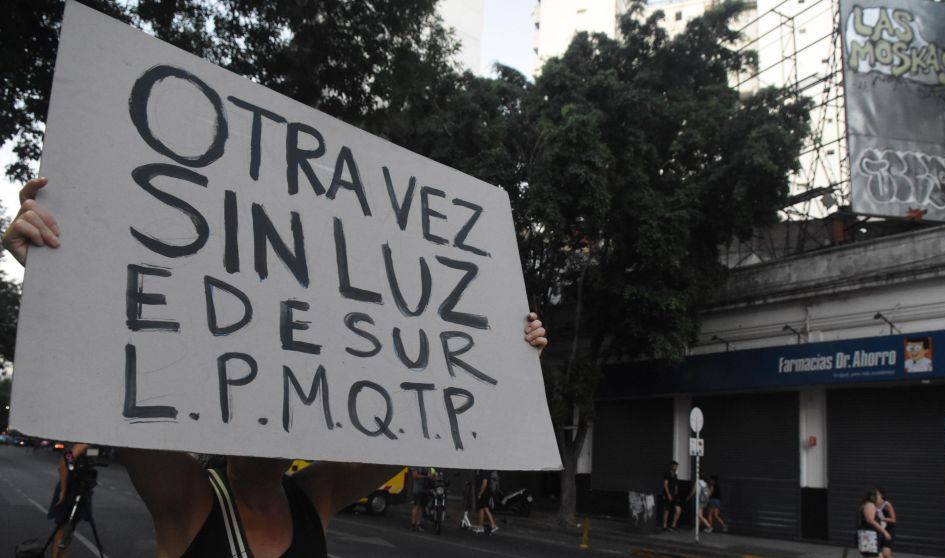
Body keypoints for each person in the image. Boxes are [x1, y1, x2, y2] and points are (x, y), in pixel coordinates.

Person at [4, 177, 549, 557]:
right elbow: (111, 390)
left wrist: (504, 353)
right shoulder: (189, 498)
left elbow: (424, 425)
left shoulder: (312, 496)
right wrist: (54, 275)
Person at [47, 443, 91, 558]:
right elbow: (63, 464)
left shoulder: (79, 442)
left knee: (68, 530)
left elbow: (68, 462)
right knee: (62, 530)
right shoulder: (83, 442)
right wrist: (63, 490)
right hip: (71, 489)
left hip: (76, 487)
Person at [858, 487, 891, 557]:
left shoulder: (868, 504)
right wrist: (885, 532)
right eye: (878, 495)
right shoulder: (870, 505)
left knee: (878, 555)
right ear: (872, 496)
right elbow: (870, 520)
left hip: (870, 537)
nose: (880, 496)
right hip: (869, 537)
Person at [474, 469, 499, 534]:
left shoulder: (485, 472)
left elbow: (484, 484)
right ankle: (492, 525)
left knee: (482, 509)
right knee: (485, 509)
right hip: (485, 494)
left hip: (484, 494)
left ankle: (482, 527)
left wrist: (480, 493)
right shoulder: (484, 471)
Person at [409, 467, 433, 531]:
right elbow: (415, 476)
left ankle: (418, 524)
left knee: (421, 507)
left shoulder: (428, 466)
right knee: (416, 506)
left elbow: (431, 474)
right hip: (417, 489)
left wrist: (431, 476)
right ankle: (413, 524)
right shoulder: (416, 466)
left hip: (425, 489)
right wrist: (426, 476)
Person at [876, 488, 896, 558]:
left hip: (888, 529)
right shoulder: (872, 504)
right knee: (878, 554)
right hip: (878, 530)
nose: (875, 496)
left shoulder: (886, 504)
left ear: (881, 495)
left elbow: (893, 520)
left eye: (877, 494)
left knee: (886, 554)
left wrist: (882, 518)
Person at [662, 460, 682, 531]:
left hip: (675, 495)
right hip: (669, 494)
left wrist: (676, 494)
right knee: (667, 510)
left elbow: (676, 485)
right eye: (674, 466)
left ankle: (673, 525)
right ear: (671, 466)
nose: (676, 467)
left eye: (676, 466)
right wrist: (668, 494)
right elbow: (665, 484)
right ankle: (664, 525)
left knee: (678, 510)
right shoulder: (667, 473)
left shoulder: (675, 475)